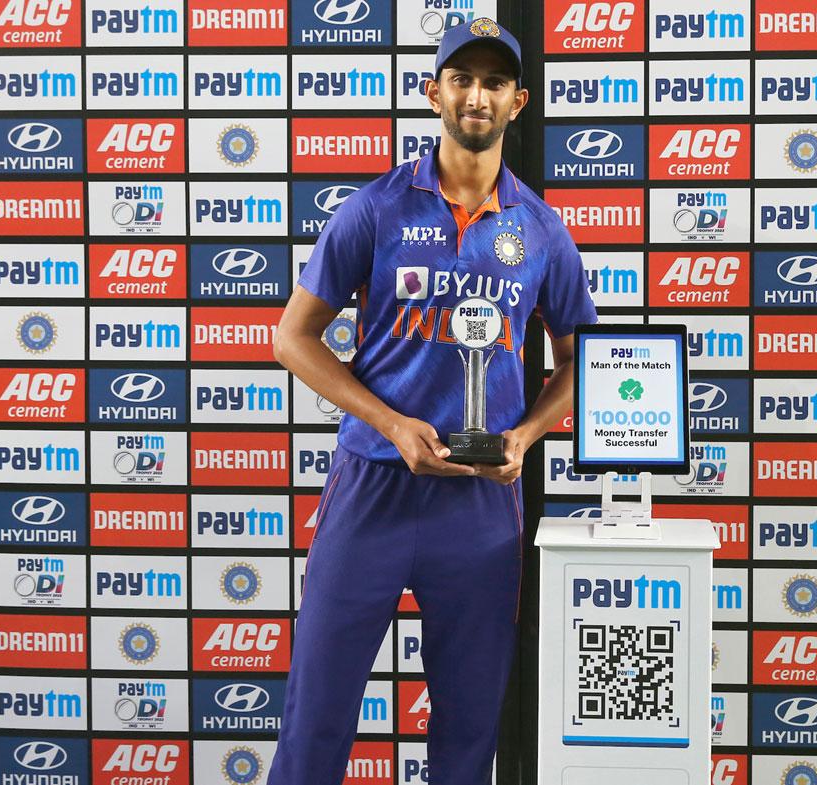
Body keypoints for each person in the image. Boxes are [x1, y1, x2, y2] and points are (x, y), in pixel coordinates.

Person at [267, 17, 598, 785]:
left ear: (519, 101)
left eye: (493, 82)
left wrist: (524, 437)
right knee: (316, 712)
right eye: (461, 78)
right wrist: (388, 420)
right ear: (433, 93)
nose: (476, 95)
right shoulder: (375, 209)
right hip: (372, 485)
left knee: (467, 725)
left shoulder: (543, 231)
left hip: (479, 503)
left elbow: (580, 359)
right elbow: (294, 338)